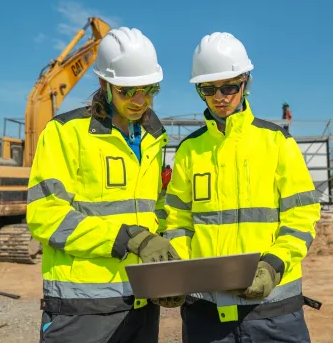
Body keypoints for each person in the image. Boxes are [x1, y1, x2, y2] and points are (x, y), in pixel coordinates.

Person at [163, 32, 321, 342]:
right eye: (208, 89)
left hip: (273, 312)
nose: (219, 97)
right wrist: (177, 274)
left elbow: (302, 214)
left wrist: (274, 264)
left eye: (229, 87)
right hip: (205, 314)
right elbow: (178, 222)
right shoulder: (189, 151)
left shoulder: (276, 142)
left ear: (245, 82)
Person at [26, 26, 180, 343]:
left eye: (149, 89)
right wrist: (129, 238)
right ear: (104, 84)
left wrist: (167, 271)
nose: (140, 100)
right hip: (81, 310)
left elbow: (159, 211)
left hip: (142, 304)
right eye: (127, 91)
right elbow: (46, 216)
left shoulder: (155, 137)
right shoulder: (65, 133)